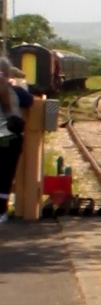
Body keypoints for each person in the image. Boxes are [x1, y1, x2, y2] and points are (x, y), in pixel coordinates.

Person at [0, 57, 34, 223]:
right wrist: (14, 84)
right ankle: (2, 211)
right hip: (10, 140)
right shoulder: (16, 91)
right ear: (8, 74)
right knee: (5, 177)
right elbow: (29, 101)